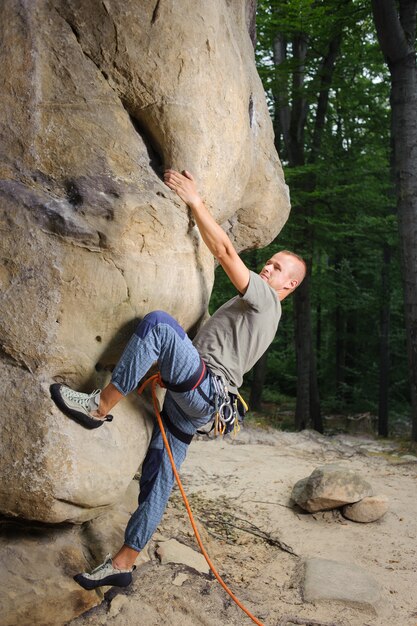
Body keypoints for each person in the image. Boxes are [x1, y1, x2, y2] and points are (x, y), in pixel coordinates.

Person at [50, 169, 306, 590]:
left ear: (288, 285)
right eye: (270, 261)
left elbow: (224, 251)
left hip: (207, 393)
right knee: (158, 479)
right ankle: (124, 563)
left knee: (158, 325)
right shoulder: (252, 308)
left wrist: (195, 201)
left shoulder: (264, 302)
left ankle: (98, 407)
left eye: (277, 267)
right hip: (198, 406)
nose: (268, 266)